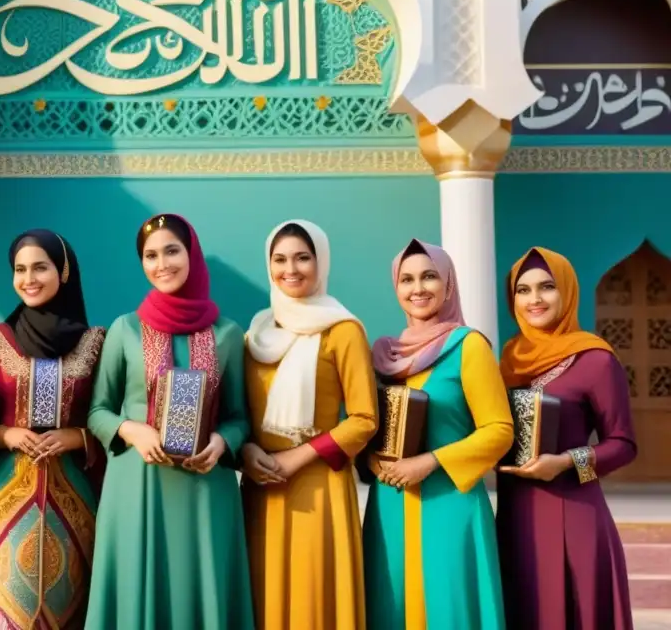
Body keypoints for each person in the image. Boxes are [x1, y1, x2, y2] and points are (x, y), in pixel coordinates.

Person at [84, 214, 255, 630]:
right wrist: (131, 429)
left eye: (172, 251)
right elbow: (97, 411)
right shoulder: (125, 330)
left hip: (205, 488)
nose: (162, 264)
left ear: (192, 254)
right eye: (150, 255)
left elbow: (239, 416)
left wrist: (221, 442)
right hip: (136, 484)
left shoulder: (228, 335)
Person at [0, 229, 105, 629]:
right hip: (7, 502)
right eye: (20, 269)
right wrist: (6, 435)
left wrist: (76, 437)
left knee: (72, 611)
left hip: (76, 503)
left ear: (64, 271)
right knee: (11, 612)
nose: (29, 279)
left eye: (40, 267)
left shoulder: (97, 344)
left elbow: (114, 419)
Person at [363, 239, 512, 630]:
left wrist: (429, 461)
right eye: (407, 279)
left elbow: (499, 431)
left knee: (448, 607)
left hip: (449, 502)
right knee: (392, 605)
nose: (418, 288)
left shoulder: (468, 346)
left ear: (448, 285)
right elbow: (372, 428)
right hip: (390, 504)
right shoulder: (385, 355)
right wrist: (371, 458)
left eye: (429, 277)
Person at [241, 220, 377, 630]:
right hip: (261, 486)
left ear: (321, 262)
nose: (291, 269)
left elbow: (364, 419)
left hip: (318, 485)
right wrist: (247, 451)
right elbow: (241, 414)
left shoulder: (343, 329)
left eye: (303, 257)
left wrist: (297, 458)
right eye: (280, 259)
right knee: (264, 594)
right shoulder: (256, 334)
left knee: (313, 599)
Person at [496, 247, 636, 630]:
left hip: (573, 511)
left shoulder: (594, 358)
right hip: (515, 514)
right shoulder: (508, 359)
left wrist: (566, 462)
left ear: (568, 292)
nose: (534, 299)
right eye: (522, 290)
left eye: (547, 287)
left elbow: (623, 443)